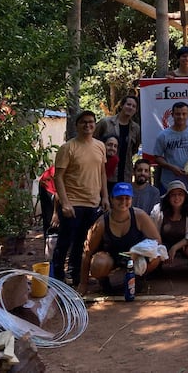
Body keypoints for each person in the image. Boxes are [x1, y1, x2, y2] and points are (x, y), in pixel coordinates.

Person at [52, 110, 109, 286]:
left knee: (84, 243)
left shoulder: (100, 146)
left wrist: (105, 197)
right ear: (77, 125)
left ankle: (76, 276)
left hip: (93, 204)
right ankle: (56, 279)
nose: (88, 125)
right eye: (83, 122)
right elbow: (58, 177)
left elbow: (102, 173)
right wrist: (65, 203)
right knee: (65, 241)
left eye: (91, 122)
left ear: (95, 124)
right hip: (73, 204)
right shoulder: (68, 148)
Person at [78, 182, 162, 294]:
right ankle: (105, 281)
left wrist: (138, 252)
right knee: (98, 263)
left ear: (131, 199)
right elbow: (87, 253)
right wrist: (83, 283)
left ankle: (138, 277)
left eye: (127, 198)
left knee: (156, 255)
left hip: (135, 258)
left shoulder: (140, 216)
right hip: (112, 259)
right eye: (119, 198)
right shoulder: (101, 223)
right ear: (112, 199)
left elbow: (157, 241)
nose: (123, 202)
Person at [153, 101, 188, 193]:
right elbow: (157, 157)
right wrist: (171, 167)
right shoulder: (163, 135)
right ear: (172, 115)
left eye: (184, 114)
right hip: (169, 183)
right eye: (178, 114)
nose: (181, 117)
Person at [150, 180, 188, 272]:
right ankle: (156, 265)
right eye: (173, 195)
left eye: (180, 194)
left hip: (185, 244)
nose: (177, 198)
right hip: (163, 243)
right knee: (150, 247)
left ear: (185, 196)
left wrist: (175, 247)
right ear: (168, 197)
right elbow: (152, 232)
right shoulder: (158, 210)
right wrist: (162, 248)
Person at [94, 95, 141, 184]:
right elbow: (93, 141)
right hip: (105, 171)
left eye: (133, 106)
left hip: (125, 172)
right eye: (128, 104)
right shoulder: (106, 123)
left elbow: (134, 149)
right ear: (121, 105)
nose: (130, 108)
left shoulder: (136, 128)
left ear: (136, 110)